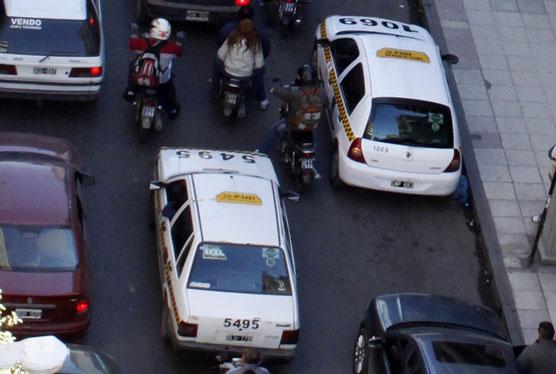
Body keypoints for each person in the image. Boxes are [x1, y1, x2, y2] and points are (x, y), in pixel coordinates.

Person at [125, 18, 183, 119]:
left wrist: (133, 34)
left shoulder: (142, 43)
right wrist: (179, 43)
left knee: (132, 65)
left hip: (142, 77)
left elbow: (132, 45)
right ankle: (173, 108)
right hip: (161, 81)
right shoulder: (172, 48)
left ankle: (131, 90)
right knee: (170, 86)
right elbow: (179, 53)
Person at [258, 64, 322, 154]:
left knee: (274, 130)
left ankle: (261, 152)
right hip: (312, 124)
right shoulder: (320, 93)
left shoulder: (295, 93)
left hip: (294, 124)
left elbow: (281, 93)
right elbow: (326, 103)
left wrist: (274, 89)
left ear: (301, 77)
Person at [216, 5, 271, 109]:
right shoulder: (257, 39)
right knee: (260, 73)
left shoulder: (230, 34)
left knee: (216, 63)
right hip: (246, 75)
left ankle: (215, 87)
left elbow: (220, 53)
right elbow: (261, 62)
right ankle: (260, 98)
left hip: (227, 71)